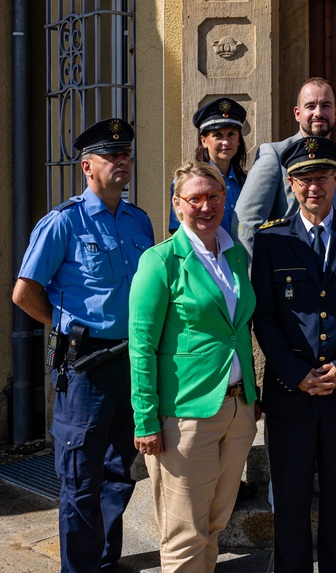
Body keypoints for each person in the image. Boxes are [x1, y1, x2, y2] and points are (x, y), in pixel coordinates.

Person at [12, 118, 154, 573]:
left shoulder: (139, 220)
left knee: (119, 472)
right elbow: (24, 291)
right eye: (112, 156)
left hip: (131, 361)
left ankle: (105, 561)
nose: (122, 162)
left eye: (126, 154)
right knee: (79, 479)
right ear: (87, 166)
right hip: (86, 366)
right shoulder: (63, 222)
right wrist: (64, 325)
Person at [250, 136, 336, 572]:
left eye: (323, 176)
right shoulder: (271, 241)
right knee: (289, 501)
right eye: (304, 179)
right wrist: (295, 373)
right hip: (291, 392)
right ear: (290, 184)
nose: (314, 187)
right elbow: (263, 317)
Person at [129, 161, 259, 572]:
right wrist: (145, 419)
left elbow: (237, 331)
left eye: (214, 196)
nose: (205, 206)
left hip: (238, 412)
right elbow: (141, 346)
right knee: (184, 534)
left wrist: (252, 398)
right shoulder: (161, 260)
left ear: (225, 199)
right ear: (177, 204)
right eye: (195, 198)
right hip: (184, 417)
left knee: (215, 525)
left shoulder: (235, 254)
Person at [234, 77, 336, 255]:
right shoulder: (274, 156)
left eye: (326, 105)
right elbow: (246, 222)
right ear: (297, 113)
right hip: (290, 274)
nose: (318, 113)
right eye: (310, 106)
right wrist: (259, 275)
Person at [168, 97, 248, 235]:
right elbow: (179, 231)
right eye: (217, 135)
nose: (226, 142)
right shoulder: (188, 182)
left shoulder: (246, 181)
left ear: (239, 140)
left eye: (231, 134)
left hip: (240, 256)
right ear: (204, 141)